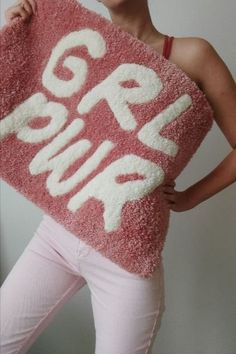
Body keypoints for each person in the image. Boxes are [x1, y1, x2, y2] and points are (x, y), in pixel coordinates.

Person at [1, 1, 235, 354]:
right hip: (58, 234)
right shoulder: (70, 34)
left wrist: (190, 197)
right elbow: (18, 90)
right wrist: (21, 31)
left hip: (126, 256)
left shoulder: (194, 54)